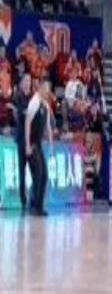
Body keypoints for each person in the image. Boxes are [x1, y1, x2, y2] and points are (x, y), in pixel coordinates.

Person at [25, 80, 53, 217]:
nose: (47, 91)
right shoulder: (34, 102)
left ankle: (39, 206)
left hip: (39, 144)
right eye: (46, 88)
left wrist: (51, 142)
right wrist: (27, 145)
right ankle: (34, 205)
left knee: (44, 175)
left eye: (48, 89)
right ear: (41, 88)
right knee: (38, 174)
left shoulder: (45, 105)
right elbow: (27, 123)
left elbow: (48, 126)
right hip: (32, 143)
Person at [13, 74, 32, 210]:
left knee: (35, 169)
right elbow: (21, 113)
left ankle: (34, 198)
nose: (27, 83)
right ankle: (23, 199)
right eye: (25, 80)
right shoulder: (18, 96)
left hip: (31, 138)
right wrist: (29, 113)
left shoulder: (32, 97)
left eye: (29, 81)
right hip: (21, 137)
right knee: (22, 169)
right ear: (21, 82)